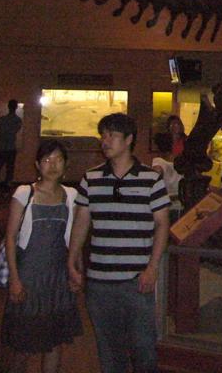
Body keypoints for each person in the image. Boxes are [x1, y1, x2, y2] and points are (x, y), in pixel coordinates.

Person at [68, 113, 170, 373]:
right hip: (99, 281)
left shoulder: (150, 178)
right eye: (103, 135)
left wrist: (152, 268)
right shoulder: (90, 178)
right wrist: (72, 259)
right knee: (109, 352)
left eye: (112, 135)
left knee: (143, 350)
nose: (105, 141)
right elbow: (81, 221)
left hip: (137, 281)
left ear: (129, 139)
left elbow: (162, 225)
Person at [0, 138, 82, 373]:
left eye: (58, 160)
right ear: (37, 164)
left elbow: (74, 240)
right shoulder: (24, 193)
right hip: (29, 276)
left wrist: (77, 271)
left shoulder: (71, 196)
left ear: (66, 164)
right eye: (47, 160)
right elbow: (10, 238)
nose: (53, 165)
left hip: (58, 277)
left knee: (54, 341)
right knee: (22, 342)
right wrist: (15, 280)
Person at [0, 99, 23, 191]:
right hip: (11, 148)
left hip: (1, 147)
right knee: (9, 169)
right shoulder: (17, 120)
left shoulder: (2, 119)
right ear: (16, 107)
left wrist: (4, 131)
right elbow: (15, 130)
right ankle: (6, 189)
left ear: (8, 106)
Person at [151, 132, 183, 221]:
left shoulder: (158, 161)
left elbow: (154, 179)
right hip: (180, 205)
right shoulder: (180, 161)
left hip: (166, 205)